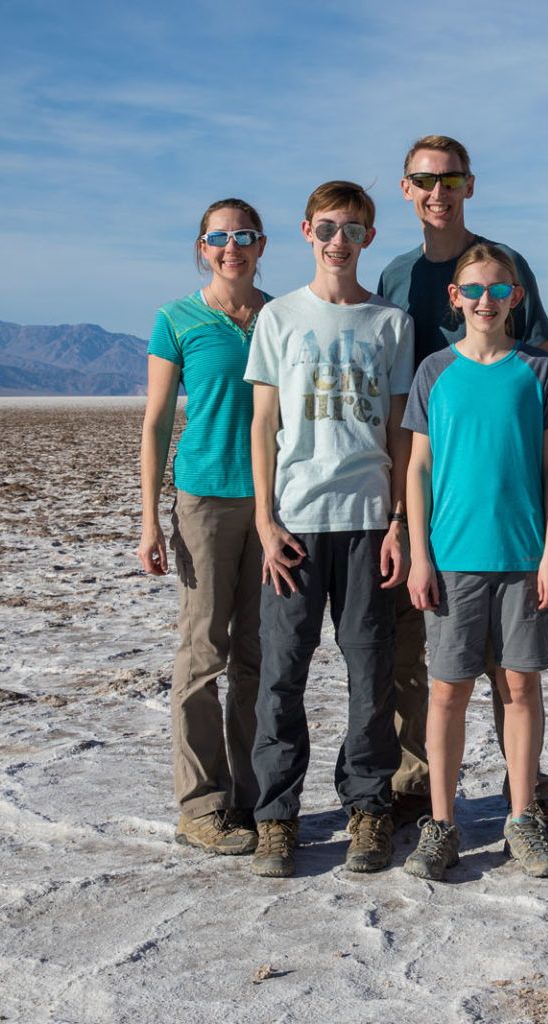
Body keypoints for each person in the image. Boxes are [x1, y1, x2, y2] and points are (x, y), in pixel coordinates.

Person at [376, 135, 548, 837]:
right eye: (424, 180)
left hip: (506, 513)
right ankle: (424, 799)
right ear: (406, 189)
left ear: (468, 186)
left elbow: (537, 383)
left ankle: (527, 799)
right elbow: (399, 404)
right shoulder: (396, 278)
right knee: (421, 662)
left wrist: (547, 531)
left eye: (450, 179)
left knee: (514, 672)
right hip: (427, 503)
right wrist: (400, 518)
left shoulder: (506, 267)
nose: (437, 191)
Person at [244, 181, 415, 878]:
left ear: (369, 237)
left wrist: (401, 518)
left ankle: (368, 808)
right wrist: (263, 518)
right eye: (325, 228)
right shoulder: (280, 318)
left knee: (369, 674)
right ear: (306, 232)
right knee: (282, 674)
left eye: (351, 229)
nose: (337, 240)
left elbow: (403, 431)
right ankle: (277, 818)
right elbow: (263, 426)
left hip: (369, 521)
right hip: (295, 523)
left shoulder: (390, 324)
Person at [400, 242, 548, 881]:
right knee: (447, 693)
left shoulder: (537, 369)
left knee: (521, 685)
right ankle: (441, 825)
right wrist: (421, 555)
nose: (484, 301)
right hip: (452, 562)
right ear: (455, 298)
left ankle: (522, 818)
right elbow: (418, 468)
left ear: (515, 300)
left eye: (497, 291)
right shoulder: (434, 372)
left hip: (523, 559)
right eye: (472, 290)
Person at [137, 198, 270, 856]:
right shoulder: (178, 320)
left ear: (261, 245)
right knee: (202, 653)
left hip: (272, 506)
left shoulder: (281, 315)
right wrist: (148, 520)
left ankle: (249, 797)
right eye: (218, 238)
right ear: (201, 246)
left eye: (243, 236)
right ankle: (201, 805)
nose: (231, 247)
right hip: (204, 502)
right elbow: (157, 422)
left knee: (256, 657)